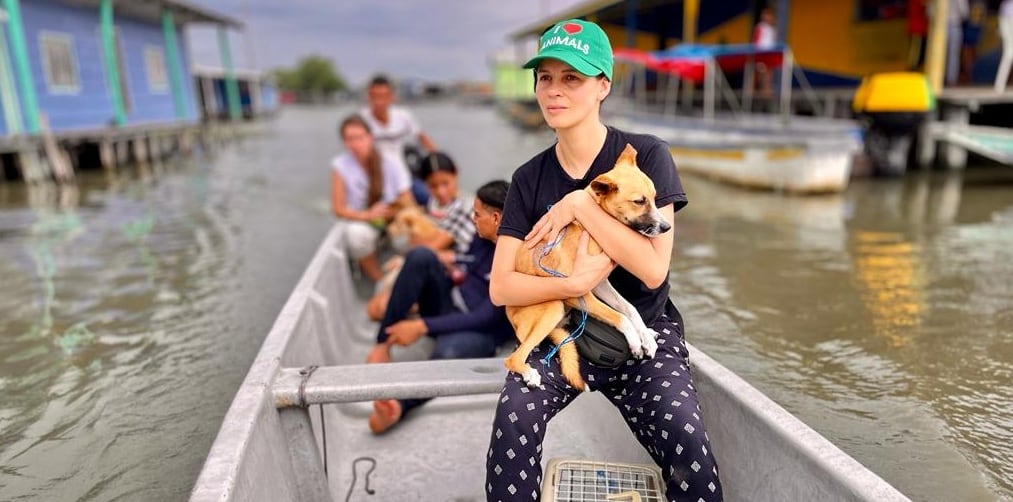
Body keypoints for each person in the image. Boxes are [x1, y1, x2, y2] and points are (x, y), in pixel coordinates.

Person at [484, 19, 723, 502]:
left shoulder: (646, 158)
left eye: (572, 78)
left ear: (603, 87)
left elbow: (653, 269)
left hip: (644, 333)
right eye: (545, 77)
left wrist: (579, 205)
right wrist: (572, 284)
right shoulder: (528, 180)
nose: (554, 91)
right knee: (512, 422)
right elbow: (501, 287)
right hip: (565, 331)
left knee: (688, 443)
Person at [366, 180, 514, 434]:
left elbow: (486, 317)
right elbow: (468, 267)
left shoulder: (516, 256)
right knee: (421, 256)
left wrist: (421, 325)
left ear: (496, 218)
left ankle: (397, 406)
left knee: (448, 353)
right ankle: (383, 343)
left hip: (480, 330)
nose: (472, 218)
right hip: (450, 304)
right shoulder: (482, 238)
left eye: (477, 214)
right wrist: (444, 265)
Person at [365, 151, 477, 321]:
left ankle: (415, 305)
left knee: (379, 308)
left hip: (456, 273)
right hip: (434, 263)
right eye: (433, 186)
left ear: (456, 174)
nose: (441, 191)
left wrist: (415, 244)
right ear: (425, 184)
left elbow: (430, 247)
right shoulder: (434, 204)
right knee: (375, 308)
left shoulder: (465, 207)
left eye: (446, 183)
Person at [330, 114, 414, 282]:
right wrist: (367, 215)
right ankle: (380, 280)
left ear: (370, 137)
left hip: (392, 217)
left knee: (408, 235)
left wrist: (390, 213)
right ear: (344, 142)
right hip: (365, 220)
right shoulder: (340, 165)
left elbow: (408, 199)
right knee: (355, 235)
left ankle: (404, 275)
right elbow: (338, 209)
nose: (355, 144)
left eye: (359, 137)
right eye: (349, 139)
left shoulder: (390, 161)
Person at [360, 74, 437, 206]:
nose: (379, 101)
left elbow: (422, 137)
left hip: (400, 169)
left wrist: (438, 161)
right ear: (368, 97)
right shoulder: (361, 119)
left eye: (384, 96)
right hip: (373, 172)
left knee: (424, 196)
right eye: (375, 96)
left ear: (392, 97)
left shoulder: (403, 116)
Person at [752, 7, 777, 98]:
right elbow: (756, 40)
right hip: (761, 53)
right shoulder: (760, 27)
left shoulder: (773, 29)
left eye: (769, 16)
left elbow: (773, 42)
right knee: (759, 72)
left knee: (768, 73)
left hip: (770, 54)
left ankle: (766, 91)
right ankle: (752, 91)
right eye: (765, 15)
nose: (767, 17)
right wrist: (755, 52)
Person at [996, 0, 1013, 92]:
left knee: (1008, 53)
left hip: (1005, 14)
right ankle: (999, 85)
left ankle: (999, 85)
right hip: (1006, 16)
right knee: (1008, 53)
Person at [907, 0, 929, 71]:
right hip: (917, 29)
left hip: (921, 29)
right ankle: (912, 69)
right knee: (915, 51)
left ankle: (915, 67)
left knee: (920, 52)